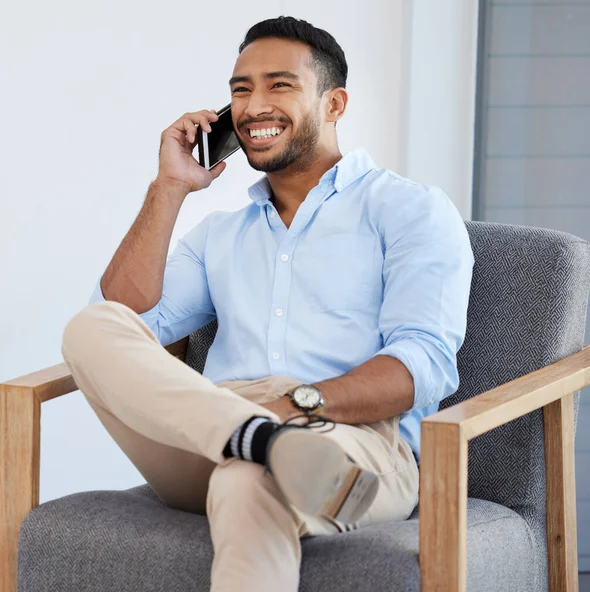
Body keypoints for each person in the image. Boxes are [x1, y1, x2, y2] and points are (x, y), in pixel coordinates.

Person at [61, 15, 474, 592]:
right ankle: (254, 439)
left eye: (279, 85)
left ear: (335, 104)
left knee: (247, 479)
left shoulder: (409, 210)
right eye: (239, 90)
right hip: (208, 430)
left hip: (346, 437)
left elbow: (422, 366)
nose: (254, 106)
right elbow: (126, 323)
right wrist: (170, 188)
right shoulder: (220, 234)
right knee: (92, 326)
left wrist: (294, 407)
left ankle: (261, 444)